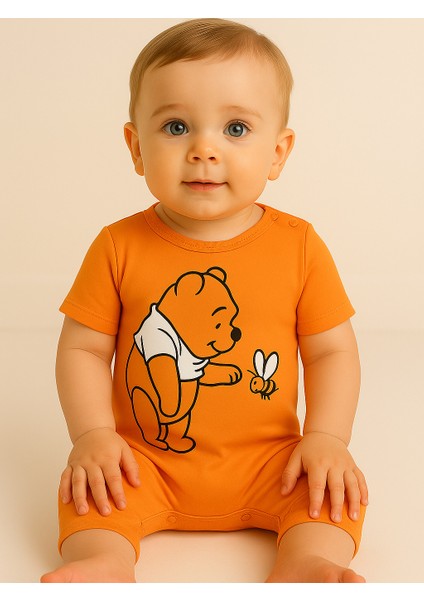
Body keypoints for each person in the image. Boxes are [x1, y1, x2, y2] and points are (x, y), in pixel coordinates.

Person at [41, 18, 368, 583]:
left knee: (331, 493)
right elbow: (84, 350)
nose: (204, 150)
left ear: (278, 153)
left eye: (236, 128)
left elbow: (331, 351)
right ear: (136, 147)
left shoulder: (300, 246)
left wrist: (327, 439)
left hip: (271, 461)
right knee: (91, 493)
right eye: (176, 126)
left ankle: (307, 561)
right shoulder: (118, 245)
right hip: (146, 458)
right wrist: (93, 436)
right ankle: (105, 562)